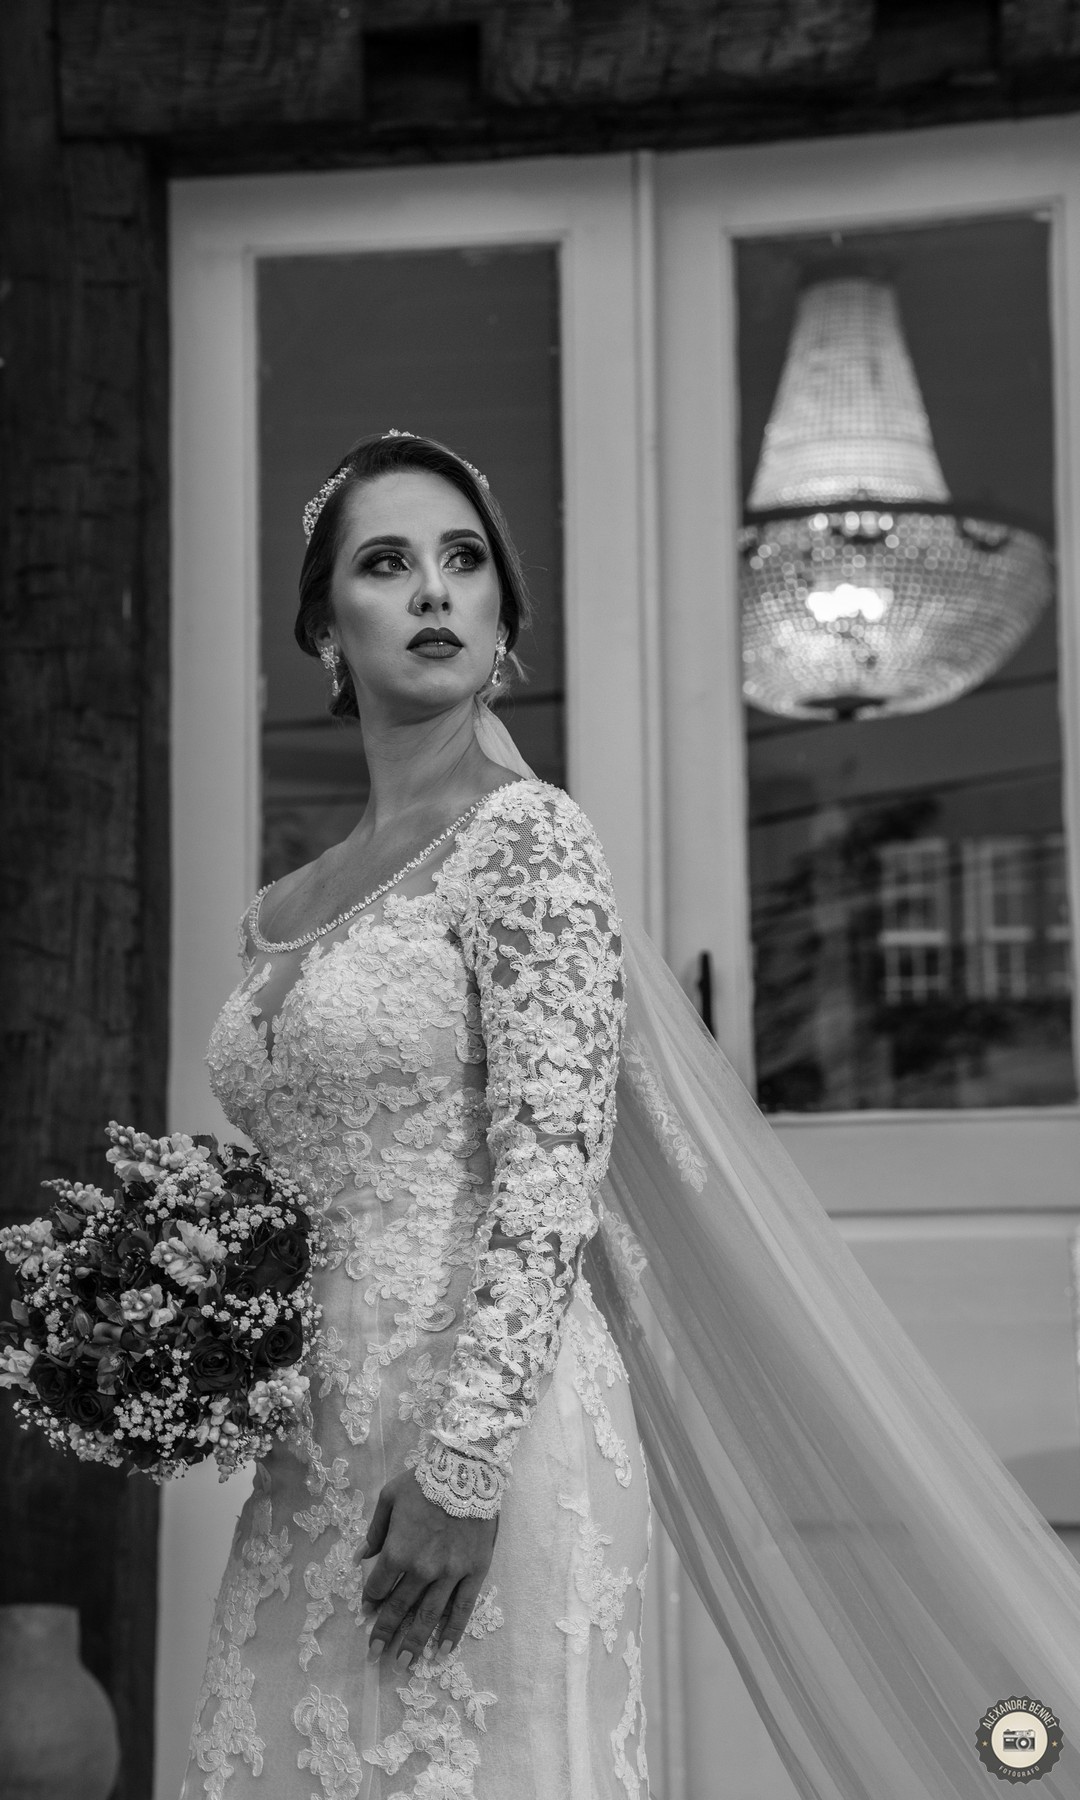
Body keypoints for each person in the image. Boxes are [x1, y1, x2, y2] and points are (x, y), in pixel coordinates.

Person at [182, 431, 1080, 1800]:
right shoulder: (291, 900)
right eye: (386, 564)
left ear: (502, 625)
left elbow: (554, 1162)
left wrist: (467, 1469)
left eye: (464, 562)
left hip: (484, 1432)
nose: (434, 592)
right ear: (325, 626)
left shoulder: (528, 840)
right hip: (310, 1451)